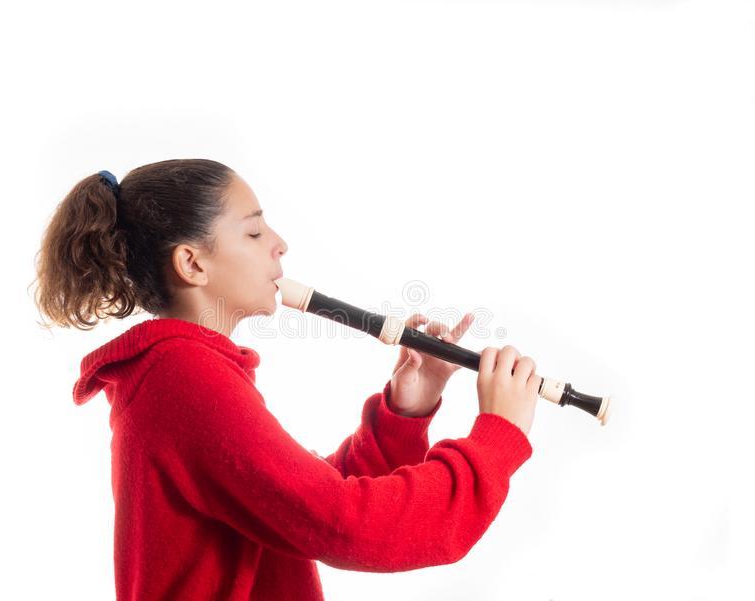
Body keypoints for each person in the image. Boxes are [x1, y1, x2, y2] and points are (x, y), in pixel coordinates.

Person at [32, 158, 541, 600]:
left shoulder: (183, 368)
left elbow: (298, 502)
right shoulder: (183, 377)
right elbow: (346, 526)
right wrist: (497, 438)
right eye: (254, 233)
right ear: (192, 263)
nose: (279, 245)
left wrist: (404, 411)